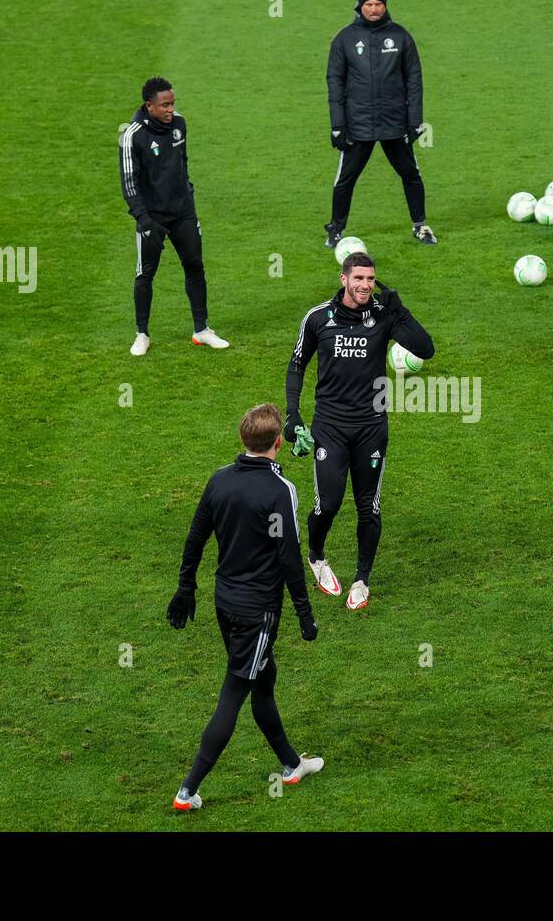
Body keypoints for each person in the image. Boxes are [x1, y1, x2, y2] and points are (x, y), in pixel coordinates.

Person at [166, 404, 321, 812]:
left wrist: (186, 587)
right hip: (258, 611)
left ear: (242, 440)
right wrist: (305, 613)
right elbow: (289, 557)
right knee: (235, 689)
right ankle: (188, 789)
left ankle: (291, 764)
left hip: (225, 602)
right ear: (279, 443)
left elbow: (195, 538)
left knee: (263, 676)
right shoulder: (279, 490)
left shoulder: (219, 481)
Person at [284, 253, 434, 611]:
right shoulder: (318, 318)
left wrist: (402, 312)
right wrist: (292, 415)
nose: (366, 285)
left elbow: (426, 348)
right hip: (330, 428)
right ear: (344, 279)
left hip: (371, 429)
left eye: (371, 279)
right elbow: (296, 365)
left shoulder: (383, 315)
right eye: (359, 278)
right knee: (329, 503)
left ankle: (362, 579)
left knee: (369, 507)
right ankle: (316, 556)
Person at [119, 76, 229, 356]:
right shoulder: (132, 135)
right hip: (152, 218)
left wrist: (187, 194)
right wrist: (144, 221)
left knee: (195, 266)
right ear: (149, 106)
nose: (171, 109)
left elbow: (183, 163)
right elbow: (129, 184)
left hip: (182, 212)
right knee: (145, 273)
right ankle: (142, 334)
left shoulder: (179, 124)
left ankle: (201, 330)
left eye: (172, 103)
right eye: (165, 105)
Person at [325, 0, 436, 248]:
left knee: (411, 175)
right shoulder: (345, 39)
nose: (374, 9)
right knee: (344, 180)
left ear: (385, 6)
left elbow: (414, 80)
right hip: (358, 126)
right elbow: (334, 83)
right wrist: (338, 126)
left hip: (394, 124)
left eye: (378, 4)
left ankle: (420, 226)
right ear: (360, 6)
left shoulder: (401, 37)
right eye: (369, 5)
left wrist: (415, 121)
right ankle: (336, 229)